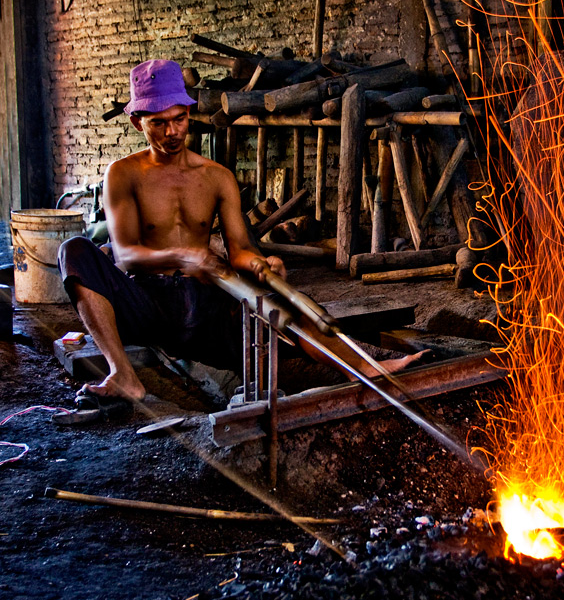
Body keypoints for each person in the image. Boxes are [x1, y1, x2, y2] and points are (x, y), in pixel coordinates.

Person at [55, 59, 419, 423]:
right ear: (138, 122)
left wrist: (260, 264)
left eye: (179, 119)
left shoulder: (217, 177)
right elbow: (127, 255)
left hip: (206, 309)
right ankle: (123, 375)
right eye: (158, 123)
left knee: (286, 305)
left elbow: (240, 250)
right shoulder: (122, 174)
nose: (171, 132)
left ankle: (365, 367)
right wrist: (184, 257)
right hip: (148, 303)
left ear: (189, 112)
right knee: (74, 251)